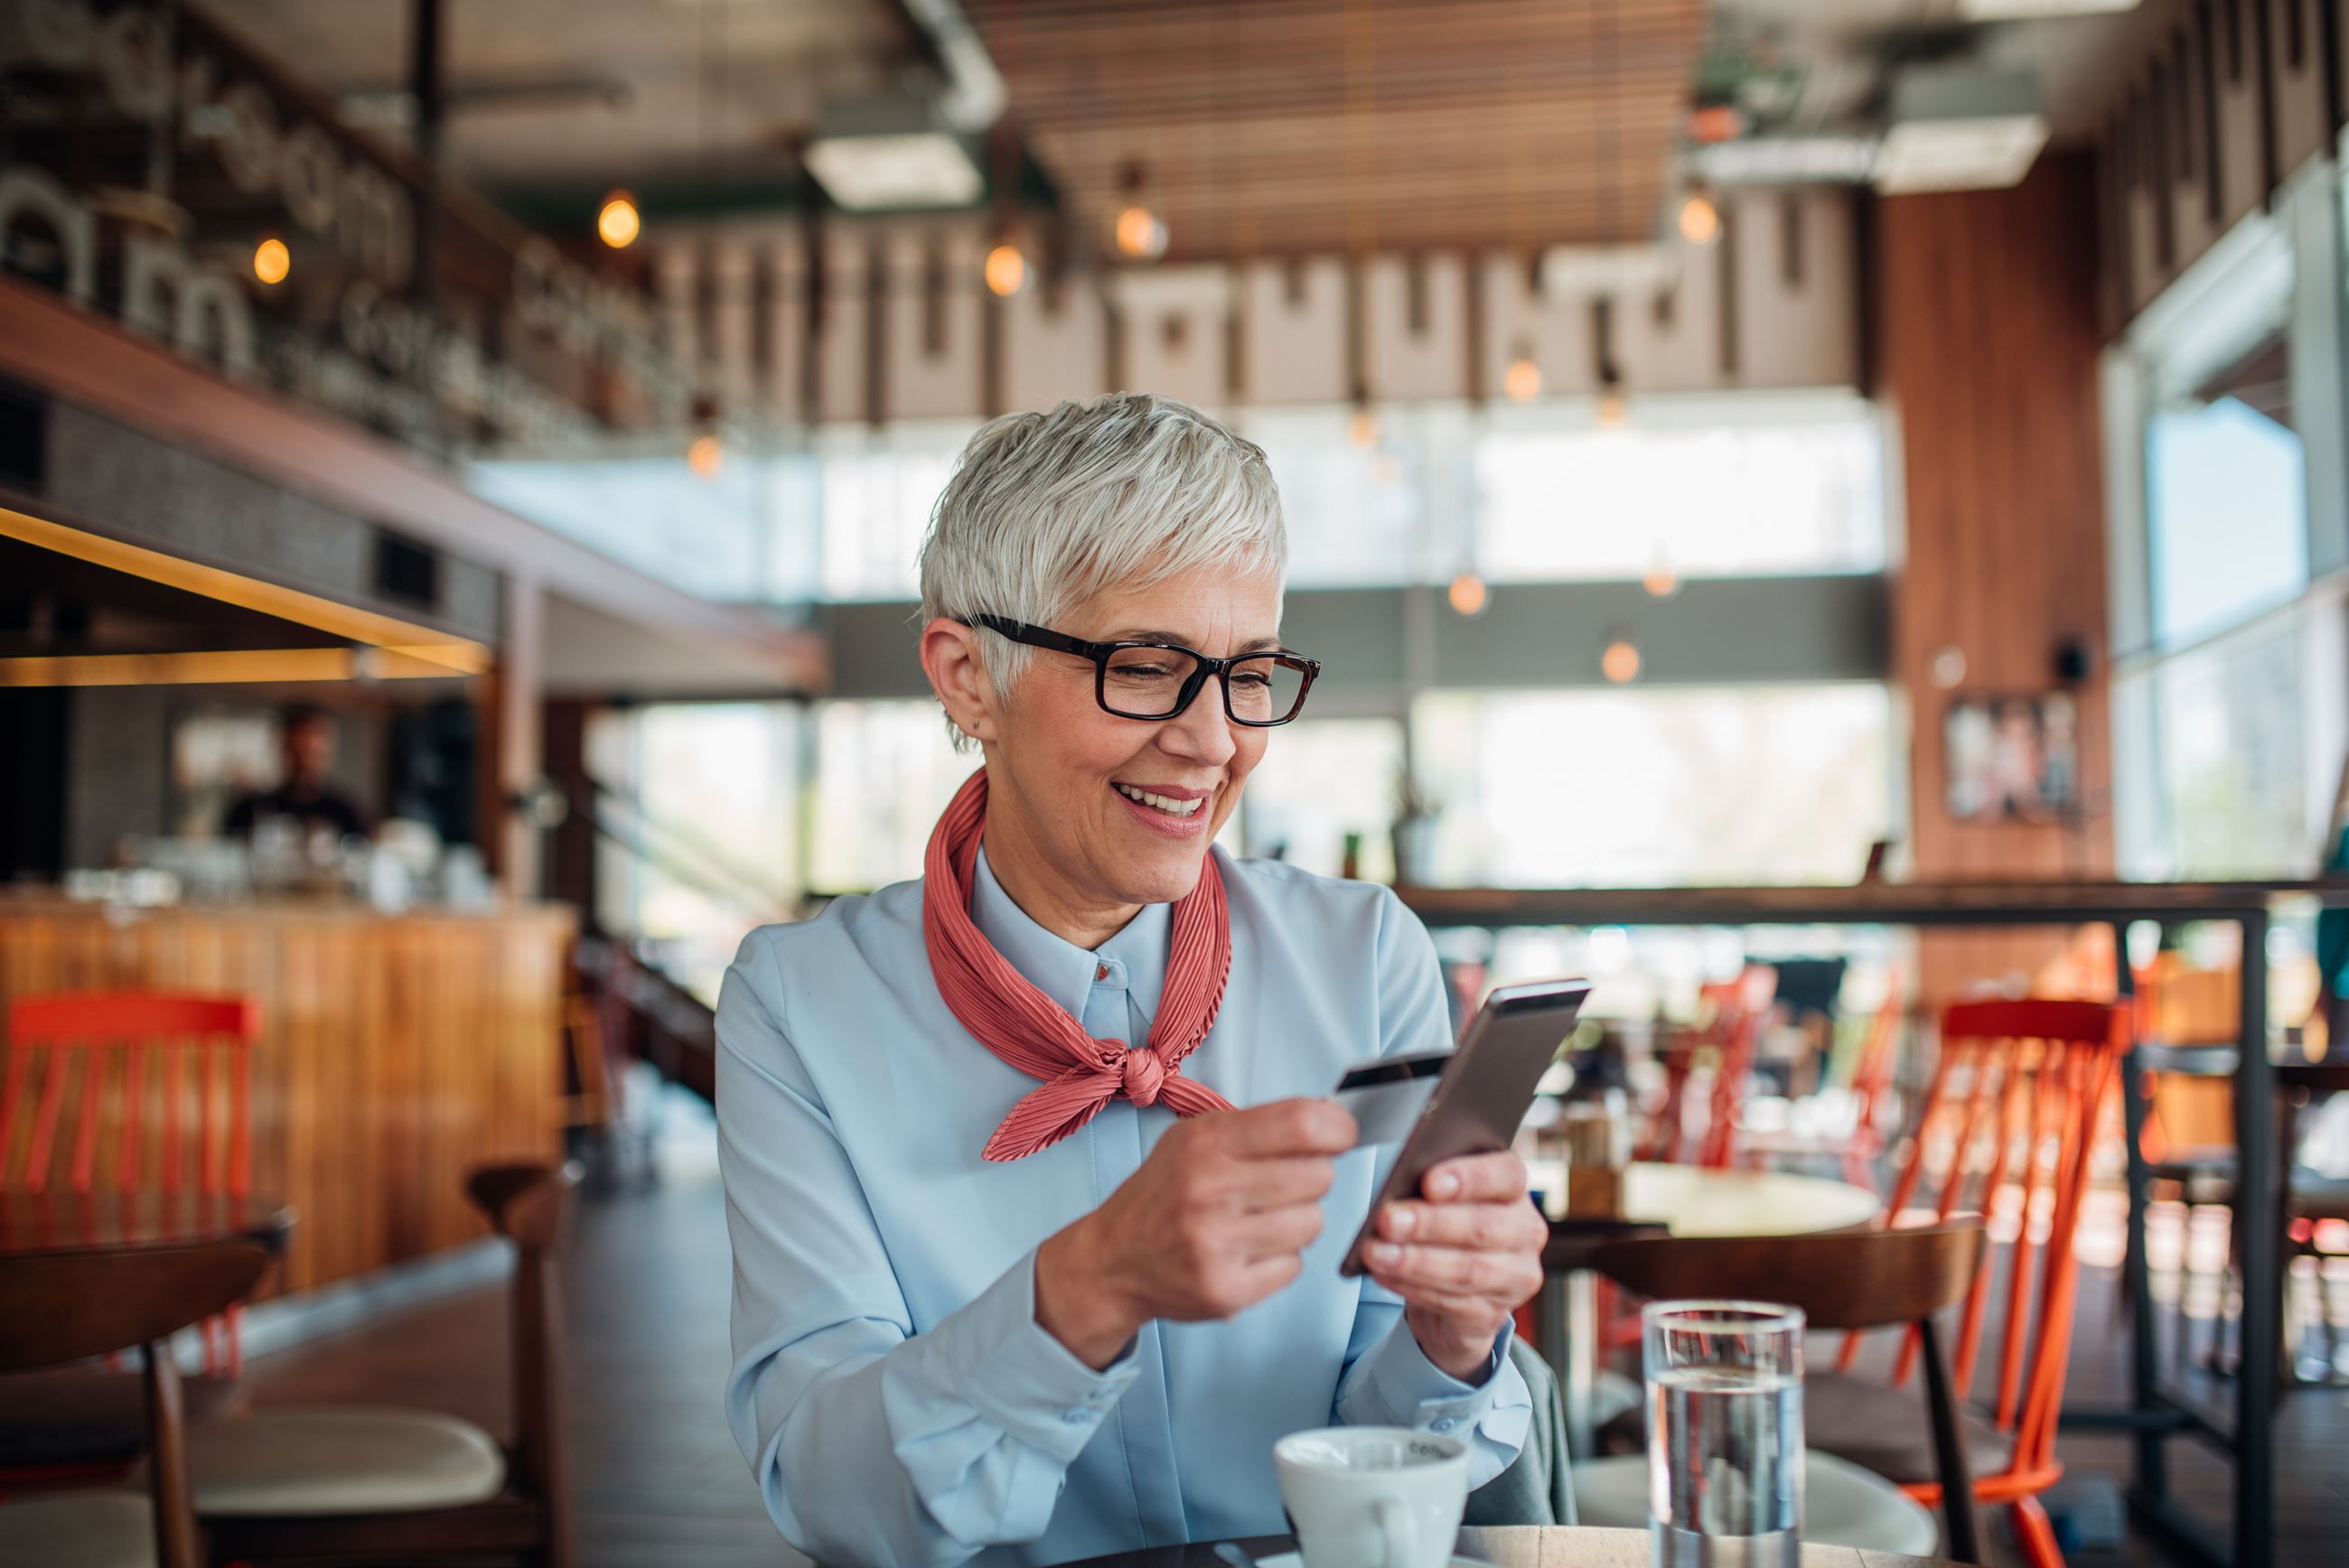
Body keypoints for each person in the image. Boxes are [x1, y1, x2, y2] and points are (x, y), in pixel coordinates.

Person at [717, 394, 1546, 1568]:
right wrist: (1087, 1288)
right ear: (967, 677)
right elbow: (832, 1493)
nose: (1215, 740)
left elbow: (1382, 1457)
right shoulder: (798, 1007)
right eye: (1147, 667)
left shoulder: (1366, 959)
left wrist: (1451, 1336)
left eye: (1248, 674)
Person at [223, 705, 366, 841]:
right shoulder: (249, 810)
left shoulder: (346, 813)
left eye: (314, 754)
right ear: (283, 748)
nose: (306, 763)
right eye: (298, 753)